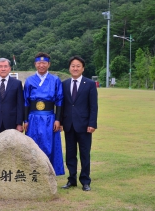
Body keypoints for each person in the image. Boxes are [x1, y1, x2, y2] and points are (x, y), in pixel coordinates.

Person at [23, 52, 65, 176]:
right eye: (39, 63)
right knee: (33, 145)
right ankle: (33, 173)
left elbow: (59, 101)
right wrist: (25, 120)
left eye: (44, 63)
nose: (41, 65)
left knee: (49, 145)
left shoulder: (55, 80)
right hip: (33, 117)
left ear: (49, 64)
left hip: (49, 117)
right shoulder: (30, 80)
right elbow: (25, 101)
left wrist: (58, 119)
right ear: (35, 64)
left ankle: (49, 173)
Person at [60, 55, 98, 191]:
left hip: (84, 126)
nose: (75, 68)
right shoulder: (64, 84)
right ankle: (71, 179)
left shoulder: (89, 84)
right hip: (69, 125)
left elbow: (93, 106)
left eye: (78, 66)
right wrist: (61, 122)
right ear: (69, 68)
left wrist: (92, 124)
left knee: (84, 154)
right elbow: (62, 105)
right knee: (70, 154)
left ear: (83, 68)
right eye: (73, 66)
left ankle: (85, 181)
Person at [0, 58, 24, 138]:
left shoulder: (17, 83)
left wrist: (19, 123)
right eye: (0, 66)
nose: (3, 69)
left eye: (5, 66)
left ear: (9, 68)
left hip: (12, 123)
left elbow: (20, 104)